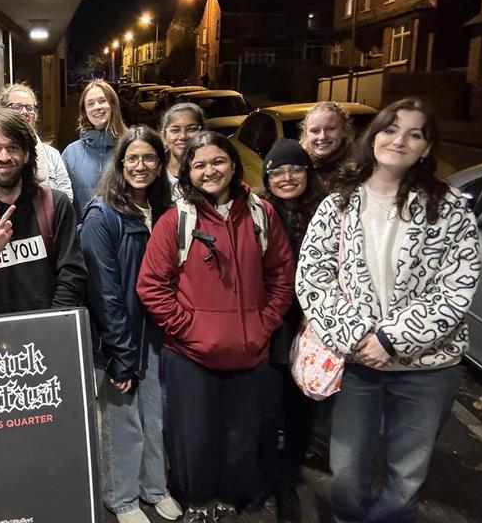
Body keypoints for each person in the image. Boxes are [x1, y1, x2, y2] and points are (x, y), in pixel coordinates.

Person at [296, 98, 480, 523]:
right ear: (372, 136)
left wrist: (392, 339)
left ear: (428, 148)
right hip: (358, 361)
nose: (399, 140)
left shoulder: (448, 207)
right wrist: (360, 337)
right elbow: (313, 278)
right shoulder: (339, 202)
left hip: (428, 367)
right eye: (391, 129)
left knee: (407, 476)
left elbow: (456, 287)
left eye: (415, 134)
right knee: (345, 471)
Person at [136, 132, 295, 523]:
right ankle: (199, 500)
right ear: (188, 170)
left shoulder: (262, 214)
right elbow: (151, 285)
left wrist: (264, 323)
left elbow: (281, 275)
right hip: (190, 355)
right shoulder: (178, 219)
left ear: (234, 164)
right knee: (194, 437)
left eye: (218, 161)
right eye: (200, 164)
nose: (210, 171)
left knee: (241, 434)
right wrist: (189, 328)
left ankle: (231, 495)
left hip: (249, 350)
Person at [80, 126, 181, 523]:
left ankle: (155, 488)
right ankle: (122, 498)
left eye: (149, 159)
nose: (140, 166)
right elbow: (104, 292)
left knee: (156, 417)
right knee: (123, 421)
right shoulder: (102, 215)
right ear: (120, 164)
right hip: (118, 336)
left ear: (160, 164)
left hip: (158, 334)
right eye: (132, 158)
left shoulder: (167, 211)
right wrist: (121, 353)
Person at [257, 138, 327, 523]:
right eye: (277, 171)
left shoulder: (326, 211)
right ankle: (270, 474)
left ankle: (287, 483)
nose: (286, 178)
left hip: (311, 327)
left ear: (308, 172)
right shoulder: (259, 211)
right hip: (270, 323)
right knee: (268, 409)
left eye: (294, 169)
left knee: (300, 409)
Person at [0, 109, 86, 315]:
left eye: (12, 147)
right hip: (0, 341)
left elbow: (72, 276)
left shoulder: (56, 205)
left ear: (25, 154)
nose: (4, 157)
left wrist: (52, 324)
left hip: (52, 331)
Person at [0, 82, 73, 201]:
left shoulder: (52, 155)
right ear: (2, 112)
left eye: (29, 107)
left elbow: (66, 197)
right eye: (16, 107)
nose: (24, 112)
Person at [62, 80, 126, 218]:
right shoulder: (70, 153)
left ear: (113, 105)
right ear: (85, 111)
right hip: (84, 234)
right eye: (90, 103)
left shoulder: (129, 147)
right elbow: (64, 204)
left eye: (102, 101)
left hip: (123, 234)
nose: (97, 107)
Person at [298, 101, 355, 189]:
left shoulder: (356, 171)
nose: (322, 137)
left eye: (331, 129)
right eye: (315, 131)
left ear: (344, 131)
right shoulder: (297, 167)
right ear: (306, 134)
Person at [159, 102, 205, 202]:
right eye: (175, 130)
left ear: (203, 133)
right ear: (164, 137)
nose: (183, 136)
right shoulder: (154, 172)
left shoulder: (211, 173)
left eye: (191, 129)